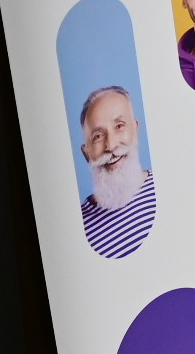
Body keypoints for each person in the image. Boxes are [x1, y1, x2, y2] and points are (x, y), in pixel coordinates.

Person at [77, 85, 156, 259]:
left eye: (119, 126)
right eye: (97, 136)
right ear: (86, 153)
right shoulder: (75, 226)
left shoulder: (169, 184)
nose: (111, 145)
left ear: (135, 129)